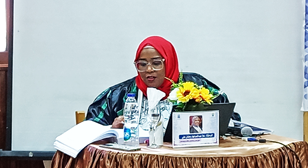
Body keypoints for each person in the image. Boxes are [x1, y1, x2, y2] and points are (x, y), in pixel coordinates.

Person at [86, 36, 233, 128]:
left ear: (169, 62)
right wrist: (111, 129)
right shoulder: (118, 95)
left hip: (189, 161)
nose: (149, 69)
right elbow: (89, 132)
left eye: (156, 63)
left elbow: (230, 120)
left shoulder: (196, 86)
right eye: (142, 64)